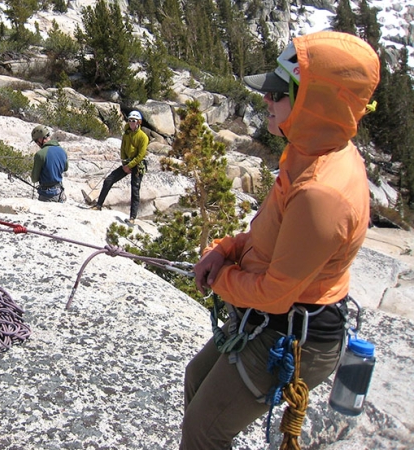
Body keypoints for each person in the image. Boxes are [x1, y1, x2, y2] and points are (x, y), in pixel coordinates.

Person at [181, 31, 380, 448]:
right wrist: (225, 249)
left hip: (289, 332)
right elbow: (266, 234)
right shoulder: (307, 150)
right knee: (196, 379)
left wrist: (218, 280)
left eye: (276, 92)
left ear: (311, 103)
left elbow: (274, 294)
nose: (265, 100)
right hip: (270, 319)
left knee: (204, 427)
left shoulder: (320, 192)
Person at [91, 110, 148, 224]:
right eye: (130, 120)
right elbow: (123, 149)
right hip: (127, 162)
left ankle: (132, 217)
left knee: (135, 190)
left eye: (134, 121)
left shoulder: (143, 137)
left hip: (138, 164)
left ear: (139, 122)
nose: (131, 123)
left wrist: (130, 165)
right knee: (109, 180)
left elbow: (141, 155)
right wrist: (124, 164)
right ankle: (99, 205)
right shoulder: (126, 133)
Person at [30, 125, 69, 202]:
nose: (36, 144)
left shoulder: (40, 154)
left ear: (41, 139)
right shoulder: (62, 151)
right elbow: (65, 168)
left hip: (47, 195)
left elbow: (34, 179)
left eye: (36, 141)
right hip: (60, 192)